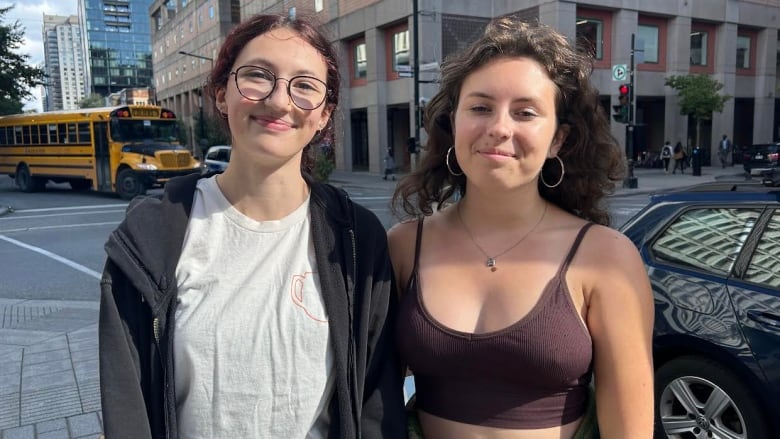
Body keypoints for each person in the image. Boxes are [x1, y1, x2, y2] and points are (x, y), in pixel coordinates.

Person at [98, 13, 406, 439]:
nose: (279, 101)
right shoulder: (150, 237)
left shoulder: (357, 239)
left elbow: (375, 399)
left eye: (304, 86)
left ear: (323, 115)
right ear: (222, 95)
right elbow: (126, 404)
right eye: (259, 76)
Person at [388, 17, 654, 439]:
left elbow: (630, 430)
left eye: (525, 112)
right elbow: (367, 389)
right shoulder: (405, 245)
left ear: (558, 140)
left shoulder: (606, 256)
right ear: (453, 123)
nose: (499, 128)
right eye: (479, 107)